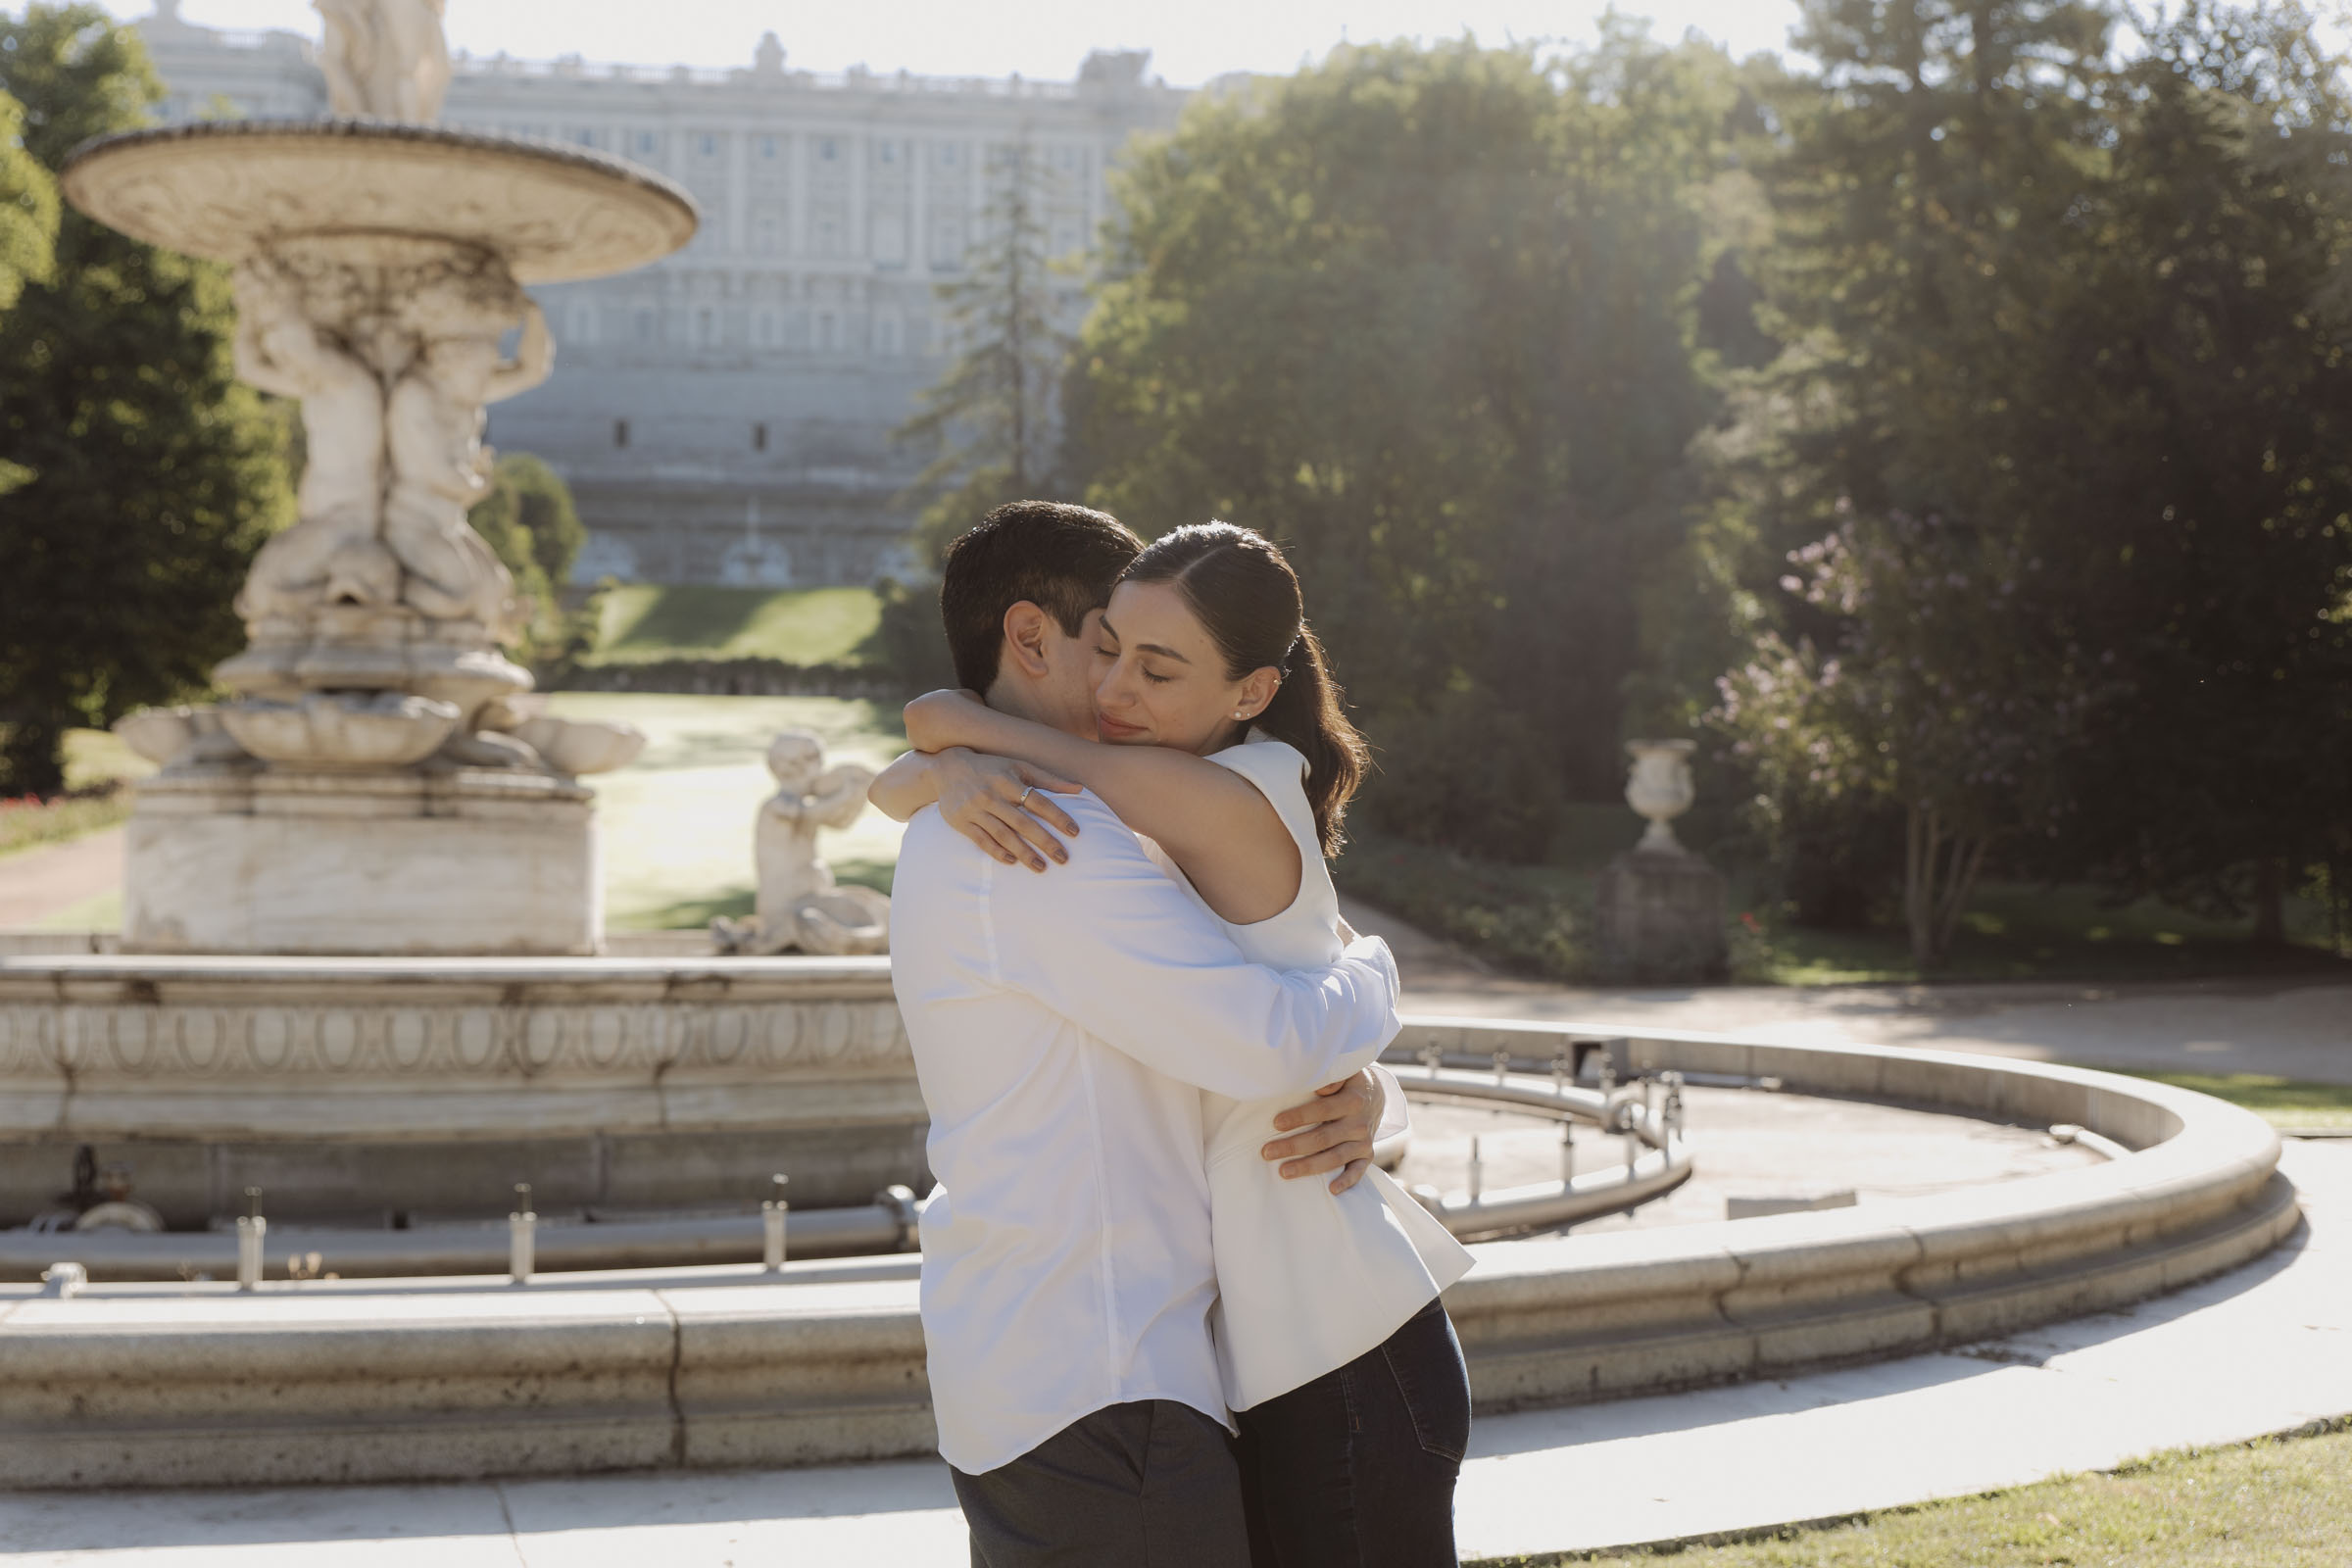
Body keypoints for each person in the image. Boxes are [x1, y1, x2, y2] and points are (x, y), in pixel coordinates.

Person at [877, 520, 1477, 1567]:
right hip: (1118, 1372)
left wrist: (1372, 1055)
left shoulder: (1107, 808)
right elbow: (1282, 1026)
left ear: (1246, 688)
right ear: (1032, 639)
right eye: (1106, 647)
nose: (1118, 685)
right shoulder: (1046, 829)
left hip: (1268, 1349)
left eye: (1153, 663)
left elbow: (1279, 1024)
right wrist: (1375, 993)